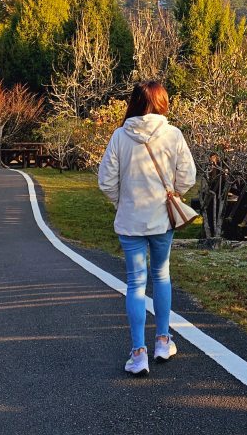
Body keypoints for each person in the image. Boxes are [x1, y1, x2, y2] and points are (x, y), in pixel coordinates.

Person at [97, 80, 197, 376]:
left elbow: (106, 181)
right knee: (162, 275)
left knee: (135, 283)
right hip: (161, 219)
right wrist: (173, 195)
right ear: (162, 102)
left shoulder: (120, 136)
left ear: (135, 102)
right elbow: (187, 176)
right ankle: (163, 341)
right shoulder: (173, 135)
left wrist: (123, 202)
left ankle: (138, 352)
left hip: (130, 221)